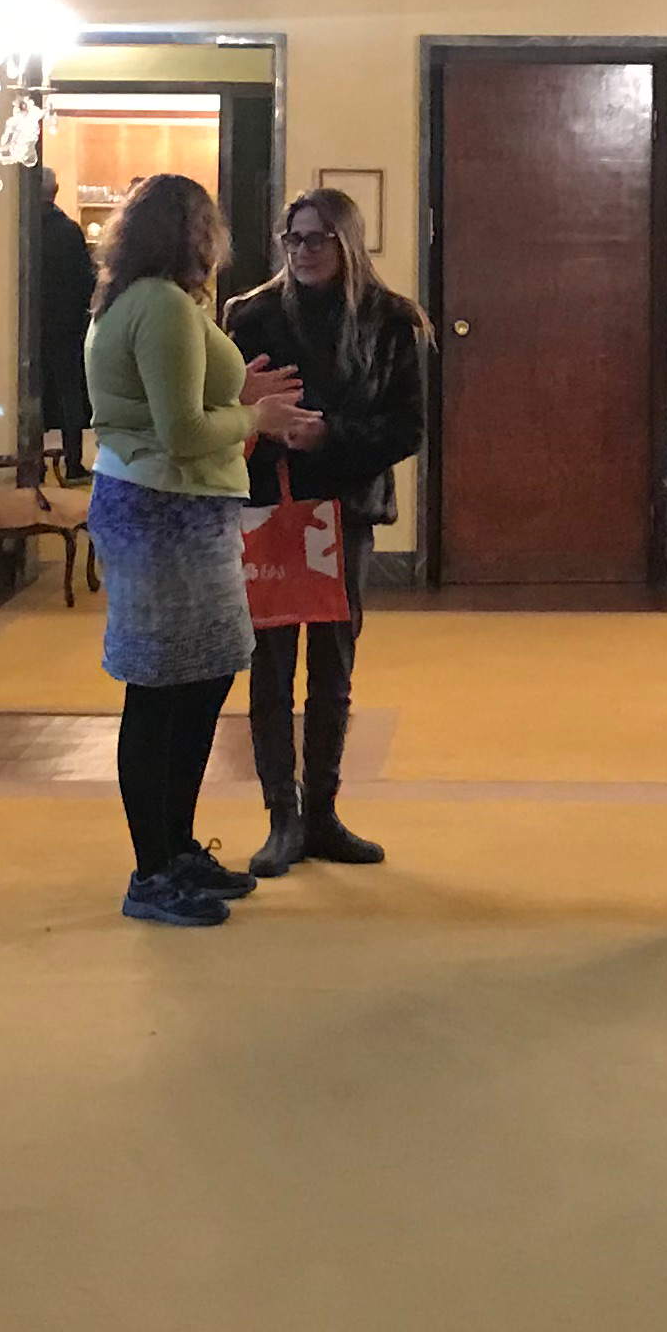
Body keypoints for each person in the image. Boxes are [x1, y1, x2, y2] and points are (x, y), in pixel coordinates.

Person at [83, 171, 309, 927]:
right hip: (164, 510)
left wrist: (238, 396)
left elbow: (169, 407)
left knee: (201, 679)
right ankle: (153, 870)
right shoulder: (160, 305)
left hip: (175, 508)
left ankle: (177, 849)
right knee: (160, 690)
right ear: (192, 232)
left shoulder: (138, 300)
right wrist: (256, 419)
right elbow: (180, 434)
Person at [223, 186, 426, 876]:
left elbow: (407, 427)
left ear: (348, 241)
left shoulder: (391, 320)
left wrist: (330, 435)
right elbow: (222, 408)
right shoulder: (249, 315)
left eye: (318, 238)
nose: (304, 251)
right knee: (270, 666)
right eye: (294, 238)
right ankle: (280, 816)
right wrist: (267, 425)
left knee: (333, 669)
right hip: (271, 506)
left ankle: (323, 812)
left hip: (346, 507)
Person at [28, 168, 97, 482]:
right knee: (70, 395)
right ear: (55, 190)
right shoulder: (69, 231)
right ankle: (73, 462)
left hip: (30, 326)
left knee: (32, 393)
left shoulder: (25, 230)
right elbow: (86, 281)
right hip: (66, 325)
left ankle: (33, 463)